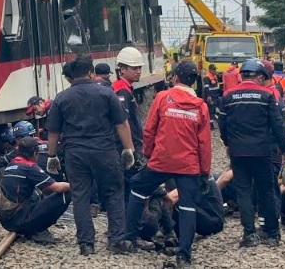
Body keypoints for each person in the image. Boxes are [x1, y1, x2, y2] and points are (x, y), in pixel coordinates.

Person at [46, 54, 136, 256]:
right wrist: (128, 149)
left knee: (80, 196)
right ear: (90, 72)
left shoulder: (62, 98)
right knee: (113, 192)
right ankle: (116, 240)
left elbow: (53, 131)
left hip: (75, 154)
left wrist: (52, 155)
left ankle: (86, 243)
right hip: (104, 151)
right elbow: (121, 123)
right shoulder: (106, 94)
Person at [126, 60, 210, 268]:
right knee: (188, 205)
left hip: (161, 161)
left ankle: (129, 238)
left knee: (137, 189)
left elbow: (149, 130)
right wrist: (204, 172)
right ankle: (184, 253)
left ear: (175, 77)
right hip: (189, 165)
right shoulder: (201, 106)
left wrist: (148, 154)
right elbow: (204, 143)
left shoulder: (163, 97)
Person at [218, 58, 285, 247]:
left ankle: (249, 234)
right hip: (263, 151)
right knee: (267, 191)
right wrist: (284, 148)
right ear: (258, 76)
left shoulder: (228, 96)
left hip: (238, 152)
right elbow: (278, 126)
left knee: (244, 192)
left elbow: (222, 126)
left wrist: (228, 143)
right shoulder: (266, 96)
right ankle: (272, 234)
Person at [0, 137, 71, 244]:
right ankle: (38, 229)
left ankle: (31, 226)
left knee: (37, 190)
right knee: (66, 193)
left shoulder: (12, 163)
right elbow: (57, 187)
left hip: (6, 220)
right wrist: (79, 185)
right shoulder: (29, 168)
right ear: (35, 153)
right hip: (16, 221)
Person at [111, 47, 145, 206]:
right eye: (134, 68)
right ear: (122, 69)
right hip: (126, 147)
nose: (138, 71)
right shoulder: (122, 91)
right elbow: (122, 121)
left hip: (125, 145)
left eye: (139, 68)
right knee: (130, 186)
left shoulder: (123, 89)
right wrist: (130, 149)